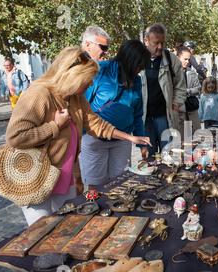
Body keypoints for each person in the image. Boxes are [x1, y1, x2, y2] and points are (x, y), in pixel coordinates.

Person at [5, 47, 150, 272]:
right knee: (42, 240)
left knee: (65, 234)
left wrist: (129, 136)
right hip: (35, 180)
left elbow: (95, 123)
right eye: (86, 81)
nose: (88, 86)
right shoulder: (39, 94)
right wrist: (54, 126)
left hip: (65, 176)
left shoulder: (74, 97)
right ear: (71, 75)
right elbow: (15, 136)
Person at [79, 40, 151, 190]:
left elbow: (137, 114)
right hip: (95, 140)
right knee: (96, 187)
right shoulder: (100, 71)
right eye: (139, 66)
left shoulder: (136, 81)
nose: (140, 70)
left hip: (122, 140)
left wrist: (141, 143)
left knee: (121, 184)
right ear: (129, 61)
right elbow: (82, 105)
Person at [140, 23, 187, 154]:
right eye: (156, 43)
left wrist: (176, 103)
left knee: (170, 156)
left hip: (165, 117)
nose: (160, 47)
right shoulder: (137, 59)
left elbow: (180, 85)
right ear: (146, 41)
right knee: (149, 158)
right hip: (145, 119)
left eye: (163, 43)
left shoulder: (172, 60)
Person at [177, 46, 201, 134]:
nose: (187, 62)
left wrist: (187, 91)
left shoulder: (191, 72)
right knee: (182, 139)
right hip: (179, 111)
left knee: (196, 137)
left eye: (189, 59)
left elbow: (198, 88)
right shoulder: (171, 73)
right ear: (178, 58)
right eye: (185, 59)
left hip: (191, 108)